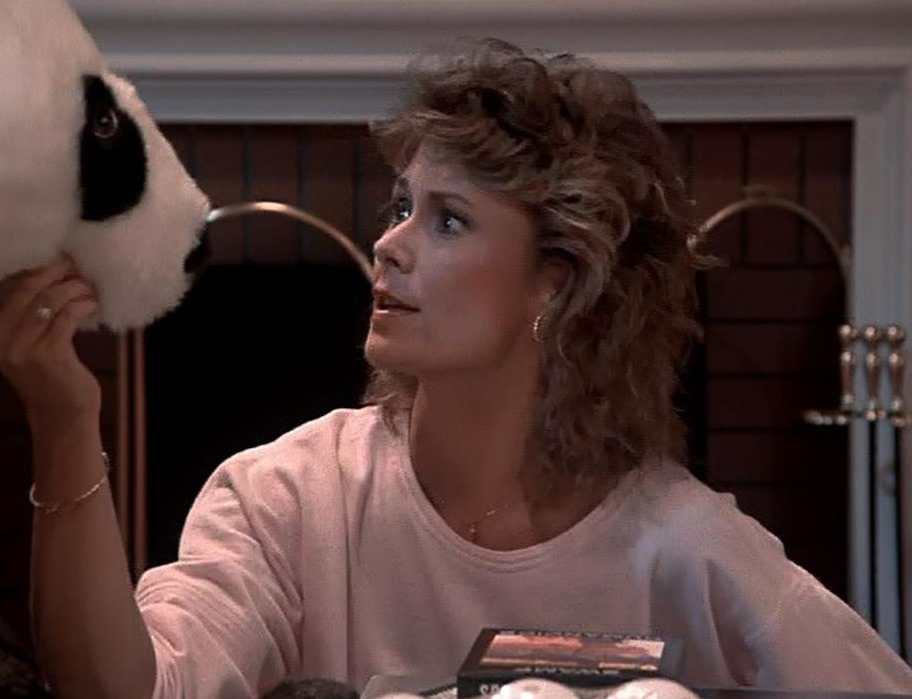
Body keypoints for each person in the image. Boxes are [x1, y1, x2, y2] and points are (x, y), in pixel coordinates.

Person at [0, 37, 910, 699]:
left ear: (557, 282)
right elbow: (131, 689)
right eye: (401, 205)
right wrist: (66, 424)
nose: (389, 244)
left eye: (447, 220)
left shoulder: (683, 544)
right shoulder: (289, 498)